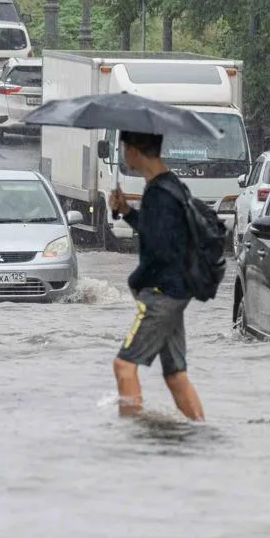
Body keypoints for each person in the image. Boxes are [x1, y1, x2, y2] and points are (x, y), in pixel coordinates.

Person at [108, 131, 205, 421]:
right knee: (175, 374)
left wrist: (137, 280)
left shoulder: (159, 193)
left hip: (161, 294)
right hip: (177, 292)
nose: (124, 154)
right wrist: (126, 211)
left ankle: (132, 443)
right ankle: (200, 430)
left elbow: (162, 250)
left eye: (125, 147)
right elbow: (159, 234)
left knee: (123, 366)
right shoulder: (169, 187)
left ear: (136, 151)